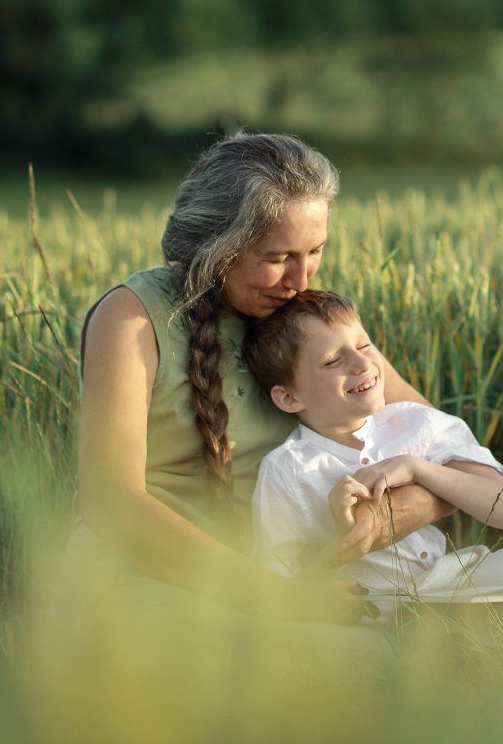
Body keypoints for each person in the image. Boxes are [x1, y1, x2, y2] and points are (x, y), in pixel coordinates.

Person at [69, 133, 459, 637]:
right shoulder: (131, 320)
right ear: (219, 246)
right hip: (147, 583)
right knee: (349, 667)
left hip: (288, 580)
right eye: (277, 257)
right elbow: (111, 504)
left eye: (315, 250)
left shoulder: (305, 319)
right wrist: (279, 598)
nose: (300, 278)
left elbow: (447, 446)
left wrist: (394, 514)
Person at [243, 290, 503, 603]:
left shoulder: (417, 423)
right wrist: (343, 542)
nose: (361, 363)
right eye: (332, 361)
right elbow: (280, 580)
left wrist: (416, 468)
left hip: (457, 586)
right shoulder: (289, 470)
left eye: (364, 345)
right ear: (289, 397)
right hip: (378, 611)